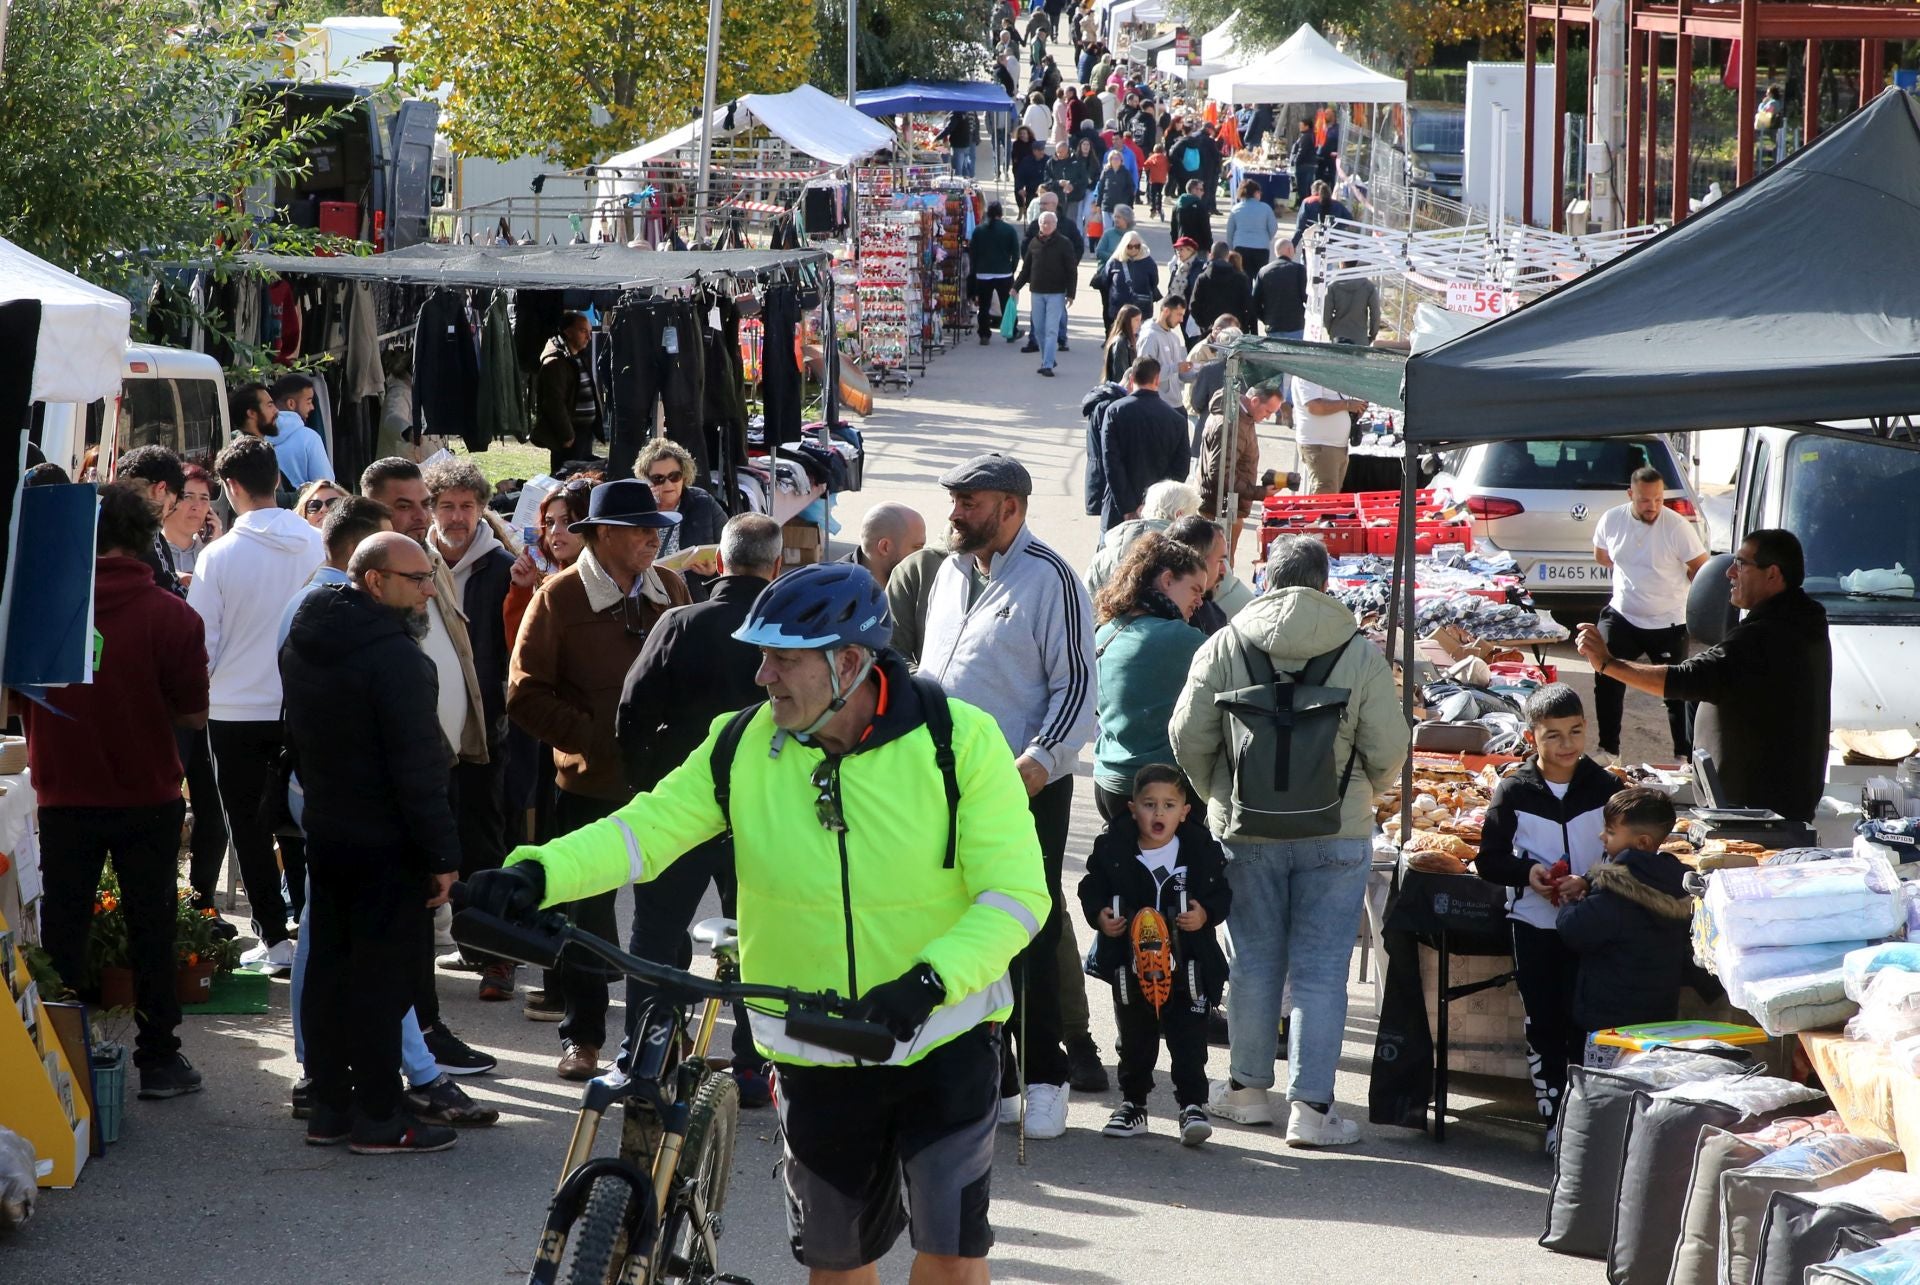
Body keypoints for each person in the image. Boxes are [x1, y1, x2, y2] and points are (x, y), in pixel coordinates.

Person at [467, 563, 1050, 1282]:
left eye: (783, 658)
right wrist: (537, 873)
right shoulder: (742, 742)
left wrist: (929, 981)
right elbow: (643, 831)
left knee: (953, 1256)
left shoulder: (955, 740)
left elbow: (1017, 895)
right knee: (838, 1263)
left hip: (944, 1033)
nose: (762, 675)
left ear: (849, 662)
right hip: (811, 1045)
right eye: (761, 654)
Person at [1171, 535, 1407, 1146]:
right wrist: (1359, 795)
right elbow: (1389, 749)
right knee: (1322, 971)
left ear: (1267, 580)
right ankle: (1312, 1109)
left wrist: (1218, 792)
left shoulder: (1226, 643)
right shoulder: (1358, 652)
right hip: (1338, 831)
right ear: (1325, 584)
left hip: (1245, 830)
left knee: (1253, 960)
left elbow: (1187, 736)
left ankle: (1247, 1092)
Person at [919, 453, 1103, 1132]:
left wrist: (1039, 759)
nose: (956, 512)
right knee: (956, 919)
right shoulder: (947, 572)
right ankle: (992, 1073)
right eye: (955, 499)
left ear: (1012, 507)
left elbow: (1077, 684)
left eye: (970, 500)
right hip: (942, 781)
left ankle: (1046, 1071)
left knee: (1021, 922)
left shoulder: (1051, 577)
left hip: (1022, 783)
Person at [280, 531, 464, 1154]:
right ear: (375, 580)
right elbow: (419, 772)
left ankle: (330, 1107)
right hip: (385, 842)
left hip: (329, 828)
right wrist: (442, 858)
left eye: (430, 577)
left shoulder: (309, 637)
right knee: (382, 981)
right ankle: (382, 1117)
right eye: (418, 580)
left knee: (331, 970)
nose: (429, 591)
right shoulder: (398, 660)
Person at [28, 482, 209, 1100]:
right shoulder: (173, 615)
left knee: (64, 927)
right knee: (151, 925)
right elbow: (192, 714)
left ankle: (58, 1062)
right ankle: (158, 1058)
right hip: (145, 791)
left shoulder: (42, 611)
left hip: (63, 793)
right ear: (145, 538)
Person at [508, 479, 691, 1080]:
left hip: (666, 792)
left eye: (657, 529)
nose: (653, 538)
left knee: (665, 919)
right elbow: (524, 695)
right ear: (605, 534)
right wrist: (593, 738)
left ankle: (663, 1033)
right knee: (584, 919)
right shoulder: (559, 598)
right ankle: (581, 1038)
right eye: (642, 528)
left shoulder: (674, 590)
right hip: (589, 789)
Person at [613, 513, 783, 1107]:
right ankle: (756, 1065)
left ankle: (647, 1051)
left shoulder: (681, 622)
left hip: (682, 808)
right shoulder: (785, 629)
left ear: (719, 563)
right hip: (763, 814)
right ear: (776, 566)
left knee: (657, 931)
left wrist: (649, 785)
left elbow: (631, 710)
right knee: (761, 935)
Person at [361, 458, 499, 1071]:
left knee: (424, 909)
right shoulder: (353, 594)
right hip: (393, 781)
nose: (426, 517)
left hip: (442, 761)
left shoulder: (427, 565)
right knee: (401, 918)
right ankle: (410, 1047)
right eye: (409, 506)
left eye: (427, 503)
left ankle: (422, 1033)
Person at [1577, 529, 1831, 823]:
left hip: (1758, 813)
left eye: (1741, 563)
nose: (1729, 572)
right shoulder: (1798, 619)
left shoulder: (1771, 635)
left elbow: (1686, 678)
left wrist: (1608, 665)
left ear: (1773, 574)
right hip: (1760, 805)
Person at [189, 436, 324, 972]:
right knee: (304, 821)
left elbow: (203, 645)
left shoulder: (218, 555)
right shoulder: (317, 544)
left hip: (236, 709)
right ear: (278, 479)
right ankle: (310, 924)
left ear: (229, 487)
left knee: (248, 825)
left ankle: (274, 937)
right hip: (306, 707)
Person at [1472, 683, 1622, 1131]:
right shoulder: (1514, 791)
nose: (1566, 745)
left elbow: (1624, 852)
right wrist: (1528, 875)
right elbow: (1488, 859)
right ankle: (1553, 1116)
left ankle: (1586, 1120)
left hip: (1592, 922)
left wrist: (1591, 879)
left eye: (1575, 732)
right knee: (1543, 1017)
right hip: (1532, 921)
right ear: (1531, 735)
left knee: (1585, 1018)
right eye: (1553, 735)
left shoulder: (1605, 787)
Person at [1078, 764, 1231, 1146]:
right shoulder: (1114, 848)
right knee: (1135, 1039)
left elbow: (1222, 895)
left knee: (1189, 1040)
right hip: (1133, 969)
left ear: (1185, 811)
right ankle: (1134, 1105)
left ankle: (1192, 1104)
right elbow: (1090, 887)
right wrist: (1101, 916)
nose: (1158, 813)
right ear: (1132, 809)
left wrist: (1205, 914)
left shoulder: (1199, 851)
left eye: (1168, 805)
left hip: (1189, 966)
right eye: (1149, 804)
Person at [424, 458, 517, 1000]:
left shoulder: (502, 568)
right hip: (428, 728)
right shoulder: (414, 562)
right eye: (447, 506)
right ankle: (464, 942)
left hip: (486, 730)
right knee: (439, 838)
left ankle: (497, 957)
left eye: (467, 506)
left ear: (482, 509)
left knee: (487, 842)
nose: (457, 517)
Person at [1556, 787, 1697, 1045]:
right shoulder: (1675, 879)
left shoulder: (1614, 894)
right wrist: (1589, 882)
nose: (1602, 837)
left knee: (1607, 1081)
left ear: (1642, 841)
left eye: (1610, 832)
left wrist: (1569, 903)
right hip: (1659, 1012)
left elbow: (1574, 931)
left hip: (1608, 1019)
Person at [1589, 466, 1710, 762]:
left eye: (1658, 499)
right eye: (1645, 500)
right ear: (1631, 495)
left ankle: (1684, 755)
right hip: (1622, 613)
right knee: (1606, 675)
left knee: (1677, 690)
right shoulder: (1612, 519)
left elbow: (1702, 568)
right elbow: (1601, 555)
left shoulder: (1677, 526)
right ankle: (1609, 749)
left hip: (1667, 620)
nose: (1652, 506)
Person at [1089, 536, 1207, 820]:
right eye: (1195, 589)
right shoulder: (1183, 639)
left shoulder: (1107, 630)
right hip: (1160, 794)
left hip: (1108, 782)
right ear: (1167, 580)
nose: (1200, 601)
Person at [1099, 357, 1190, 533]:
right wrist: (1150, 503)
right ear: (1157, 380)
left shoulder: (1115, 411)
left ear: (1132, 379)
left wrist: (1127, 508)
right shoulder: (1176, 420)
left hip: (1117, 509)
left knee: (1112, 557)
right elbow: (1181, 468)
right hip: (1158, 513)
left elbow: (1111, 463)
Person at [1083, 480, 1205, 597]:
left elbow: (1086, 603)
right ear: (1179, 515)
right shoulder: (1189, 560)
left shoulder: (1104, 556)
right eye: (1193, 516)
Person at [1200, 382, 1282, 555]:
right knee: (1219, 566)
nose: (1268, 418)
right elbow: (1220, 475)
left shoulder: (1242, 418)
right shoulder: (1232, 425)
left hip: (1224, 507)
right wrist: (1259, 492)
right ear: (1254, 401)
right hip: (1220, 510)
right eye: (1268, 411)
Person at [637, 438, 727, 564]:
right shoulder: (637, 510)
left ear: (684, 476)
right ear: (647, 481)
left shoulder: (703, 502)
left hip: (695, 583)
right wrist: (646, 507)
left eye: (674, 476)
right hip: (649, 583)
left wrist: (715, 568)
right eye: (658, 478)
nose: (668, 483)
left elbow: (730, 550)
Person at [115, 444, 189, 596]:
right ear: (160, 489)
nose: (164, 517)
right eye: (170, 506)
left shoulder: (96, 519)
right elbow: (172, 592)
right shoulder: (146, 532)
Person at [533, 312, 602, 477]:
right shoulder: (556, 362)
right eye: (583, 331)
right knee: (566, 479)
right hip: (570, 436)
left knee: (583, 478)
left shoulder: (576, 355)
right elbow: (553, 402)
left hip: (584, 433)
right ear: (568, 331)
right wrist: (567, 435)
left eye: (589, 332)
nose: (588, 337)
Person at [1011, 210, 1077, 378]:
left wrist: (1071, 293)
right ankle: (1048, 357)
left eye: (1049, 222)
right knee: (1039, 329)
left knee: (1051, 329)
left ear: (1055, 225)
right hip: (1037, 292)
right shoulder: (1034, 243)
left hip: (1056, 293)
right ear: (1039, 224)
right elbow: (1026, 269)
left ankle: (1047, 364)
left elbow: (1071, 270)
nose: (1046, 225)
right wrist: (1016, 287)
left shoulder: (1064, 243)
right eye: (1043, 223)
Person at [1165, 513, 1253, 635]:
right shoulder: (1183, 624)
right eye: (1220, 561)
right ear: (1197, 559)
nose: (1224, 570)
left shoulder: (1212, 614)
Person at [1288, 375, 1366, 495]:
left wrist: (1356, 409)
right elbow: (1314, 407)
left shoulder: (1328, 371)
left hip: (1335, 447)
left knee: (1331, 495)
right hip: (1320, 445)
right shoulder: (1307, 372)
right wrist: (1347, 405)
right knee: (1324, 496)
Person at [267, 374, 336, 491]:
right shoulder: (309, 438)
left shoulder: (256, 435)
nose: (313, 407)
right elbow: (325, 485)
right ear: (291, 404)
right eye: (309, 402)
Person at [968, 202, 1021, 344]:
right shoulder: (1009, 230)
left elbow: (973, 252)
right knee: (1007, 303)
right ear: (1001, 214)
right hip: (1004, 273)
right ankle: (1011, 331)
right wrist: (1012, 269)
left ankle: (984, 334)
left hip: (983, 273)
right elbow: (1016, 253)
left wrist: (976, 269)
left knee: (984, 305)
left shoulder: (979, 230)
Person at [842, 502, 927, 587]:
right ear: (885, 547)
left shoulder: (919, 585)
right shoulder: (835, 594)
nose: (923, 555)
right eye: (917, 547)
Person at [1096, 232, 1158, 335]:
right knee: (1119, 340)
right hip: (1119, 310)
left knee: (1139, 341)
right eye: (1129, 246)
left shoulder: (1148, 262)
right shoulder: (1114, 261)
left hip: (1141, 310)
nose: (1133, 249)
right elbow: (1105, 280)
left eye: (1137, 246)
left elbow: (1154, 282)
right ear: (1124, 246)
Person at [1187, 241, 1253, 335]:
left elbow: (1193, 305)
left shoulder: (1203, 278)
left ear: (1211, 255)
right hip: (1235, 331)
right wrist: (1243, 324)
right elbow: (1249, 306)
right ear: (1227, 256)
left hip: (1211, 331)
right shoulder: (1240, 278)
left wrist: (1204, 325)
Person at [1136, 296, 1193, 401]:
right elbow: (1146, 376)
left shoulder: (1174, 338)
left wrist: (1200, 373)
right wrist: (1176, 367)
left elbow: (1178, 373)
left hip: (1176, 401)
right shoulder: (1150, 337)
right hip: (1157, 403)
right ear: (1166, 311)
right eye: (1179, 315)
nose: (1181, 320)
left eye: (1183, 315)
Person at [1253, 240, 1308, 339]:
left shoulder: (1263, 271)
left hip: (1273, 326)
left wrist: (1266, 319)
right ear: (1289, 250)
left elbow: (1254, 302)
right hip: (1295, 326)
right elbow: (1306, 298)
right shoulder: (1299, 270)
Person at [1226, 181, 1278, 277]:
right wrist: (1265, 238)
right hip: (1261, 248)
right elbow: (1273, 228)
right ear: (1256, 193)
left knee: (1243, 279)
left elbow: (1230, 232)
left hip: (1240, 248)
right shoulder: (1266, 208)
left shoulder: (1235, 209)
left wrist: (1231, 249)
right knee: (1261, 278)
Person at [1322, 265, 1382, 345]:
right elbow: (1375, 313)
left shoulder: (1332, 286)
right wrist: (1372, 335)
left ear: (1341, 264)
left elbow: (1326, 313)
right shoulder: (1369, 286)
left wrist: (1331, 331)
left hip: (1338, 335)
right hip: (1360, 337)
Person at [1292, 180, 1352, 246]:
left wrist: (1293, 244)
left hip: (1312, 240)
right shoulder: (1337, 204)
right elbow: (1349, 219)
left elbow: (1300, 227)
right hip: (1333, 242)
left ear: (1313, 191)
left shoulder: (1307, 202)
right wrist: (1337, 227)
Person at [1102, 303, 1143, 384]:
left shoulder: (1127, 340)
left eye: (1140, 320)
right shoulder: (1120, 342)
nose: (1139, 324)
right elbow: (1121, 373)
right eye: (1136, 320)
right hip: (1120, 390)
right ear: (1127, 321)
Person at [934, 109, 976, 177]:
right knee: (964, 167)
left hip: (958, 144)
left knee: (958, 169)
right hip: (965, 143)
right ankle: (966, 181)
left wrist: (937, 138)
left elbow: (949, 128)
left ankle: (961, 183)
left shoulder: (955, 115)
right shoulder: (965, 112)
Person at [1172, 179, 1212, 247]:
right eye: (1201, 189)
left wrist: (1176, 245)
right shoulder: (1200, 206)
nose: (1203, 193)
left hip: (1182, 245)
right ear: (1194, 190)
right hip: (1199, 246)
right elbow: (1205, 228)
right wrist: (1209, 245)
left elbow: (1173, 229)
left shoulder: (1177, 206)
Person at [1287, 121, 1316, 209]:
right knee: (1303, 186)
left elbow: (1302, 151)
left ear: (1307, 126)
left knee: (1303, 187)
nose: (1299, 127)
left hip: (1304, 165)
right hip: (1305, 165)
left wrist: (1295, 161)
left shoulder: (1306, 137)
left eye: (1301, 125)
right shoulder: (1305, 136)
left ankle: (1304, 205)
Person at [1143, 141, 1170, 218]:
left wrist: (1147, 170)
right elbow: (1168, 167)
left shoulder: (1152, 157)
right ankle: (1159, 208)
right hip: (1162, 179)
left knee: (1153, 194)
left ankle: (1153, 208)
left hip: (1153, 178)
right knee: (1159, 193)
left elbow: (1146, 165)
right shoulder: (1165, 158)